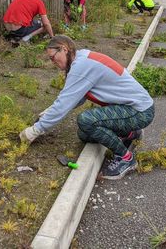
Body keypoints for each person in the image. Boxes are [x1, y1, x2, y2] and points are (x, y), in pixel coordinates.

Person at [19, 35, 155, 180]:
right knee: (84, 134)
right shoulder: (82, 58)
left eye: (53, 57)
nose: (53, 62)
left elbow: (64, 103)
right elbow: (75, 98)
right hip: (130, 108)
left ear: (64, 49)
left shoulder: (80, 67)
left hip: (139, 112)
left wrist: (36, 130)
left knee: (86, 120)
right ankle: (130, 134)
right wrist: (49, 111)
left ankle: (126, 158)